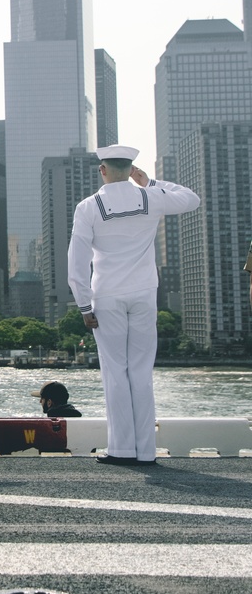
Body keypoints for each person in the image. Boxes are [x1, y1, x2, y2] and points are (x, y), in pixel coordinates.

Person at [67, 143, 199, 467]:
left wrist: (84, 306)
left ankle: (122, 449)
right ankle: (146, 452)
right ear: (130, 169)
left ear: (103, 169)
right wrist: (150, 182)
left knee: (116, 372)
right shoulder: (151, 198)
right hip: (144, 294)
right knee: (141, 372)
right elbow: (191, 200)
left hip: (107, 296)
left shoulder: (89, 206)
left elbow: (77, 262)